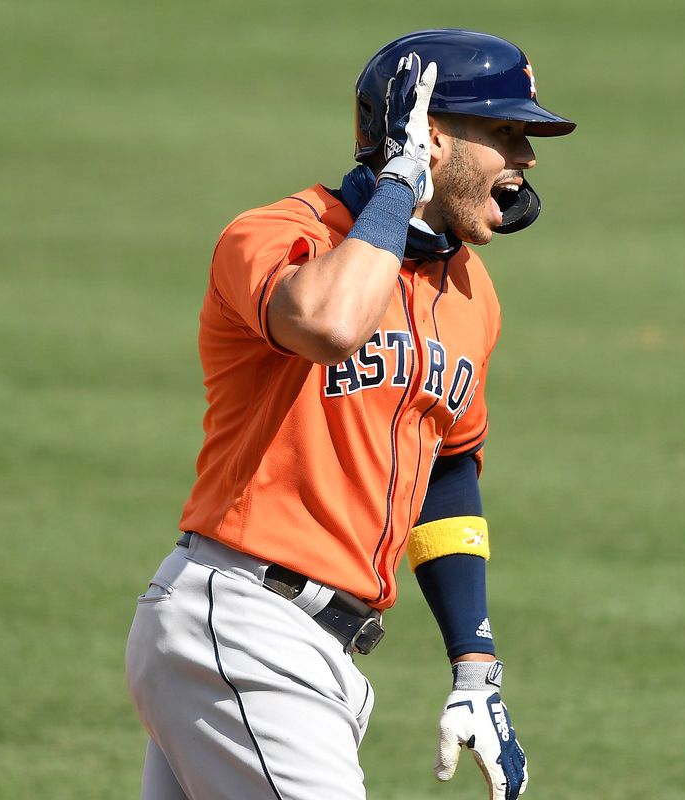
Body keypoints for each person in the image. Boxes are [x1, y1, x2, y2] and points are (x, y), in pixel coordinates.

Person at [125, 28, 575, 800]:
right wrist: (400, 188)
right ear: (429, 137)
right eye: (507, 133)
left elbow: (448, 468)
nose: (526, 160)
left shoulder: (471, 292)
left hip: (317, 652)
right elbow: (328, 327)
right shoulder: (277, 235)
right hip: (244, 624)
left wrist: (474, 662)